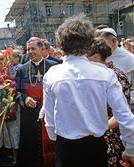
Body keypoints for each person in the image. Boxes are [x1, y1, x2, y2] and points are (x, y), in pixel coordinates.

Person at [42, 14, 134, 167]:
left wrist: (54, 136)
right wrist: (130, 150)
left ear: (61, 44)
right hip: (95, 146)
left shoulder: (52, 74)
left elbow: (49, 117)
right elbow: (124, 116)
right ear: (89, 43)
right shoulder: (105, 73)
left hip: (66, 147)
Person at [87, 37, 131, 166]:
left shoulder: (116, 76)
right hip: (96, 135)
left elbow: (123, 113)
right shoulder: (92, 75)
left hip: (112, 138)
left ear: (95, 57)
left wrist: (99, 127)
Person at [16, 37, 58, 166]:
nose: (30, 51)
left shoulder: (55, 67)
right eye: (28, 49)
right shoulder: (21, 70)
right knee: (31, 145)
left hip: (50, 112)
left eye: (33, 48)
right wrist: (25, 98)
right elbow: (17, 92)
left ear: (42, 49)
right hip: (30, 114)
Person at [96, 27, 134, 103]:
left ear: (113, 41)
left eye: (102, 43)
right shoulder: (95, 57)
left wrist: (128, 102)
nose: (98, 47)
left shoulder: (130, 59)